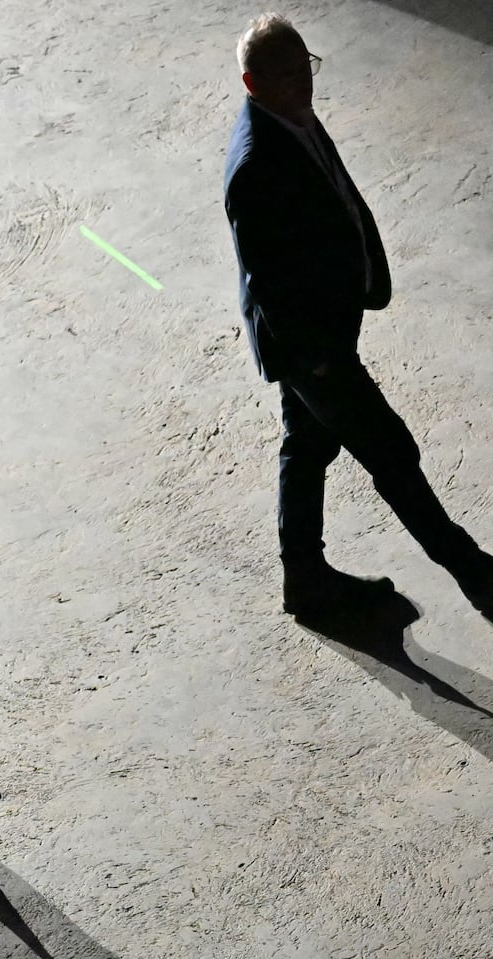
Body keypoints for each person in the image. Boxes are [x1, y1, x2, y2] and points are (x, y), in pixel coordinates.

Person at [222, 13, 493, 621]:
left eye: (306, 67)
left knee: (307, 445)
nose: (304, 84)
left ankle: (306, 579)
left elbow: (335, 196)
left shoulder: (291, 119)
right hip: (311, 347)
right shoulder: (255, 165)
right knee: (391, 451)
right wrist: (317, 361)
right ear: (252, 82)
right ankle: (475, 572)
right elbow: (268, 282)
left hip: (323, 334)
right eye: (288, 75)